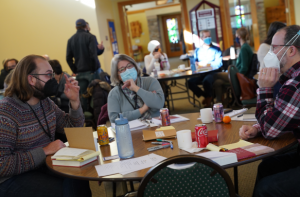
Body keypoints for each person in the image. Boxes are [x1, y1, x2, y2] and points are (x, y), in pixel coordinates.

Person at [0, 55, 91, 196]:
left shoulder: (45, 102)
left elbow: (72, 129)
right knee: (63, 191)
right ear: (31, 79)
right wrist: (44, 151)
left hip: (43, 164)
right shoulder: (6, 112)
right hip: (12, 177)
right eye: (48, 75)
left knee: (79, 178)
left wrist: (74, 101)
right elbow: (2, 164)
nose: (53, 80)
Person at [239, 25, 300, 197]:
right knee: (267, 166)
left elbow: (271, 130)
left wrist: (264, 88)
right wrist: (258, 127)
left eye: (274, 48)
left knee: (265, 189)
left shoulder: (295, 86)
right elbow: (283, 116)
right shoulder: (291, 79)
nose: (270, 53)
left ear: (291, 51)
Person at [108, 54, 165, 123]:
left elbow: (159, 104)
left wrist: (136, 88)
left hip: (156, 127)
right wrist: (143, 109)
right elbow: (114, 119)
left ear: (135, 66)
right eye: (122, 69)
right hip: (130, 131)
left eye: (129, 66)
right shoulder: (114, 93)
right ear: (117, 76)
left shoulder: (150, 82)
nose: (127, 70)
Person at [213, 27, 253, 103]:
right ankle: (220, 101)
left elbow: (244, 68)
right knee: (217, 82)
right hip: (238, 74)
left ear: (239, 37)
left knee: (215, 75)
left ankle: (210, 97)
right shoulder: (246, 47)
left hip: (239, 75)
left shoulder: (244, 48)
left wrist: (236, 73)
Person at [66, 18, 98, 112]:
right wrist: (93, 69)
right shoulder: (90, 37)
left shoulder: (70, 40)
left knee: (83, 96)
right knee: (95, 94)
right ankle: (96, 117)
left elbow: (68, 58)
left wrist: (75, 70)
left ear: (76, 27)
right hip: (92, 72)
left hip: (79, 72)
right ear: (86, 26)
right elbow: (93, 55)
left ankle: (87, 117)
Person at [187, 30, 223, 107]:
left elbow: (219, 63)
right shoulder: (198, 50)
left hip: (213, 72)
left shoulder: (216, 49)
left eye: (209, 36)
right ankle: (207, 96)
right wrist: (196, 64)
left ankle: (208, 99)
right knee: (190, 82)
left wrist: (206, 64)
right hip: (201, 72)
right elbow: (195, 62)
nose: (208, 38)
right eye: (206, 37)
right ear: (202, 38)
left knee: (206, 81)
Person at [257, 21, 286, 97]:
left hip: (276, 77)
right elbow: (275, 66)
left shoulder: (276, 46)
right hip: (270, 79)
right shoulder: (265, 47)